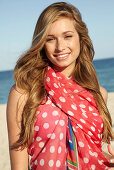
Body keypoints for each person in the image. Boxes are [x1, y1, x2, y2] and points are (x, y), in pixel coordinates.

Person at [6, 2, 114, 170]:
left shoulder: (97, 94)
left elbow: (89, 152)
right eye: (50, 39)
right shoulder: (24, 93)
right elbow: (18, 167)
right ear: (42, 43)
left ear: (80, 37)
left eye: (68, 36)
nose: (60, 47)